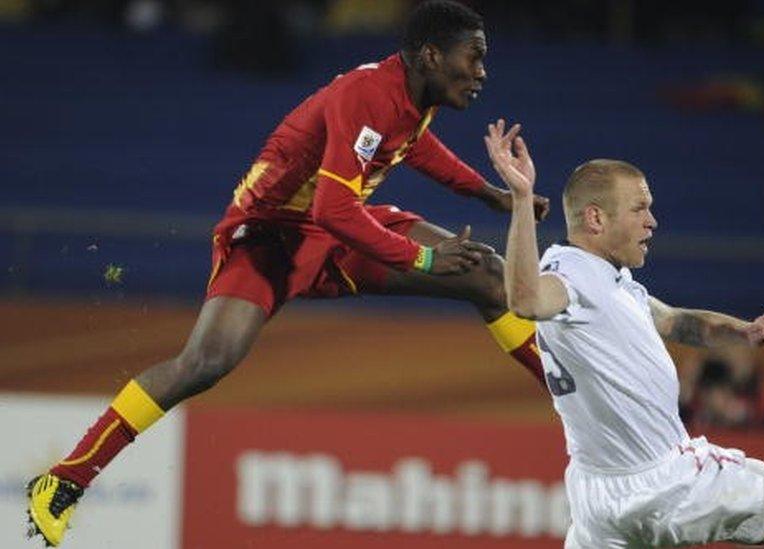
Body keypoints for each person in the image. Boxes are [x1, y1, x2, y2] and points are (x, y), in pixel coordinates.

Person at [26, 2, 551, 546]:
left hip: (335, 228)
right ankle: (64, 480)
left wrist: (488, 194)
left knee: (488, 275)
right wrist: (420, 259)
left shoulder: (413, 93)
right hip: (268, 235)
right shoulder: (368, 95)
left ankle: (571, 399)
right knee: (207, 362)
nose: (484, 71)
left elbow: (411, 145)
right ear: (431, 55)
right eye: (476, 57)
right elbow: (332, 210)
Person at [484, 119, 764, 549]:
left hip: (597, 498)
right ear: (596, 218)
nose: (652, 221)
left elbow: (676, 321)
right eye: (639, 208)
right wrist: (523, 199)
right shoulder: (571, 277)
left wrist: (744, 331)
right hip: (667, 482)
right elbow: (525, 301)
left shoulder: (610, 282)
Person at [680, 347, 764, 431]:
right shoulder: (692, 399)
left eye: (736, 345)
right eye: (721, 344)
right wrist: (682, 395)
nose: (729, 354)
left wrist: (745, 421)